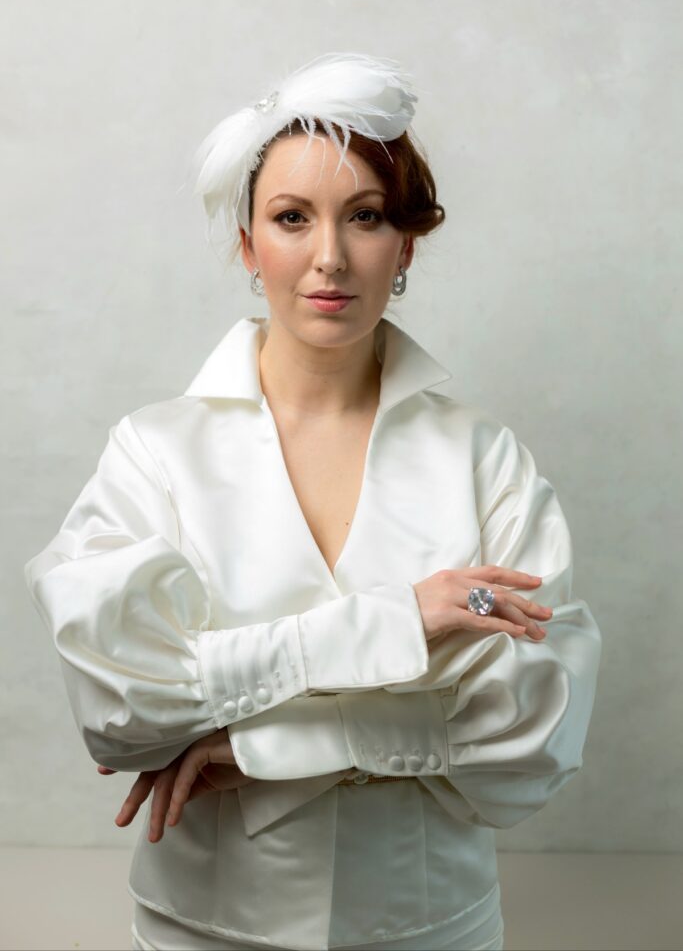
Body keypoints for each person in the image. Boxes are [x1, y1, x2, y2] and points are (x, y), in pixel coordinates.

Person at [24, 52, 602, 951]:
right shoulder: (154, 452)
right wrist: (404, 622)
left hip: (428, 929)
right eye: (291, 217)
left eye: (364, 216)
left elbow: (532, 732)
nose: (328, 257)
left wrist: (266, 741)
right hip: (205, 927)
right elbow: (124, 707)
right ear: (247, 243)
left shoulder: (484, 459)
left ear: (405, 244)